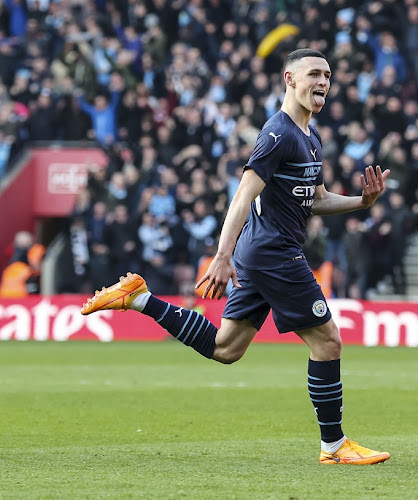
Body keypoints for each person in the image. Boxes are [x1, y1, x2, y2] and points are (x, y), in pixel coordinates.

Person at [81, 49, 391, 465]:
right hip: (273, 252)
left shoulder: (310, 137)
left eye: (328, 75)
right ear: (290, 79)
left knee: (226, 348)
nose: (323, 82)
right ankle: (334, 446)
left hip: (262, 251)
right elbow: (245, 192)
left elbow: (314, 200)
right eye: (314, 74)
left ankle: (138, 298)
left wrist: (362, 202)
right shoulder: (278, 134)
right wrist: (220, 256)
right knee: (328, 342)